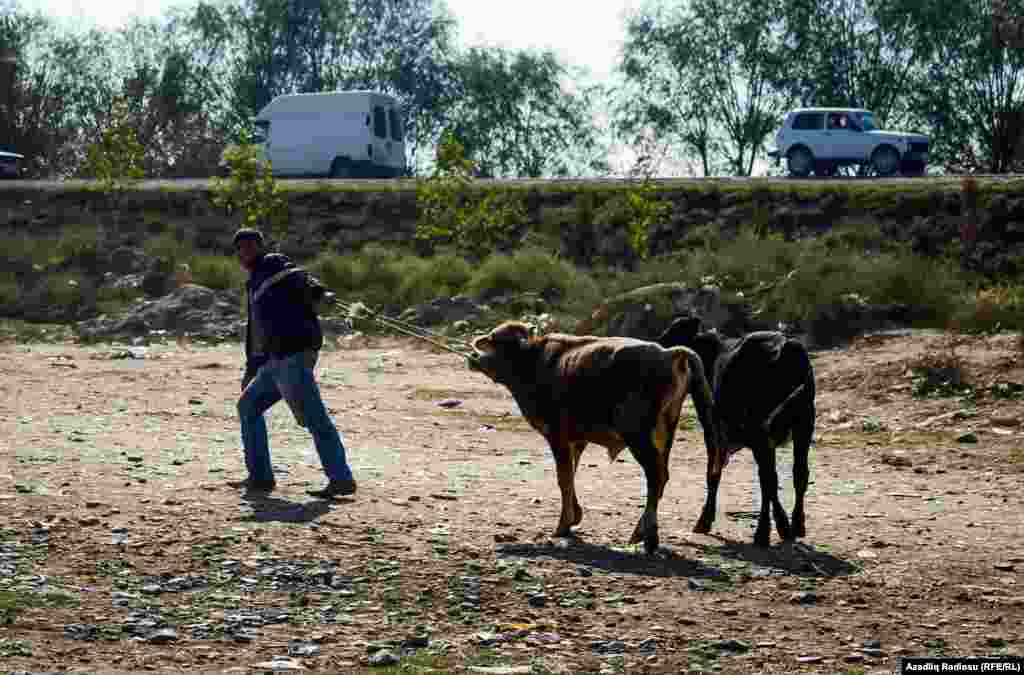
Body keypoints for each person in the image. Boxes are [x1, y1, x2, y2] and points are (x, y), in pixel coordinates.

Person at [231, 228, 356, 498]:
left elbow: (301, 280)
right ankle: (260, 478)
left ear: (261, 247)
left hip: (293, 356)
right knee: (248, 407)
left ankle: (341, 478)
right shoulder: (253, 282)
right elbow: (257, 330)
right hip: (274, 361)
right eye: (241, 247)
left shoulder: (273, 263)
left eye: (251, 245)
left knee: (314, 418)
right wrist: (252, 367)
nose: (246, 250)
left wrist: (319, 293)